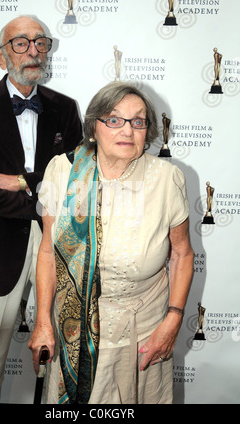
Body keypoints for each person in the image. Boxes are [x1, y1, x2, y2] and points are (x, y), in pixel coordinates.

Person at [28, 81, 194, 404]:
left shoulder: (166, 179)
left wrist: (173, 319)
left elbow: (183, 254)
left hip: (145, 336)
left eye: (138, 121)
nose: (127, 131)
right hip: (75, 331)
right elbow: (47, 252)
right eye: (114, 120)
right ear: (93, 127)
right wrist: (43, 321)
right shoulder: (63, 172)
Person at [0, 15, 82, 404]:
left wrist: (23, 180)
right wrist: (43, 189)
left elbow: (75, 183)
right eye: (21, 43)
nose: (33, 51)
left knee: (63, 338)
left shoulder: (65, 108)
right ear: (0, 56)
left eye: (40, 43)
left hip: (58, 237)